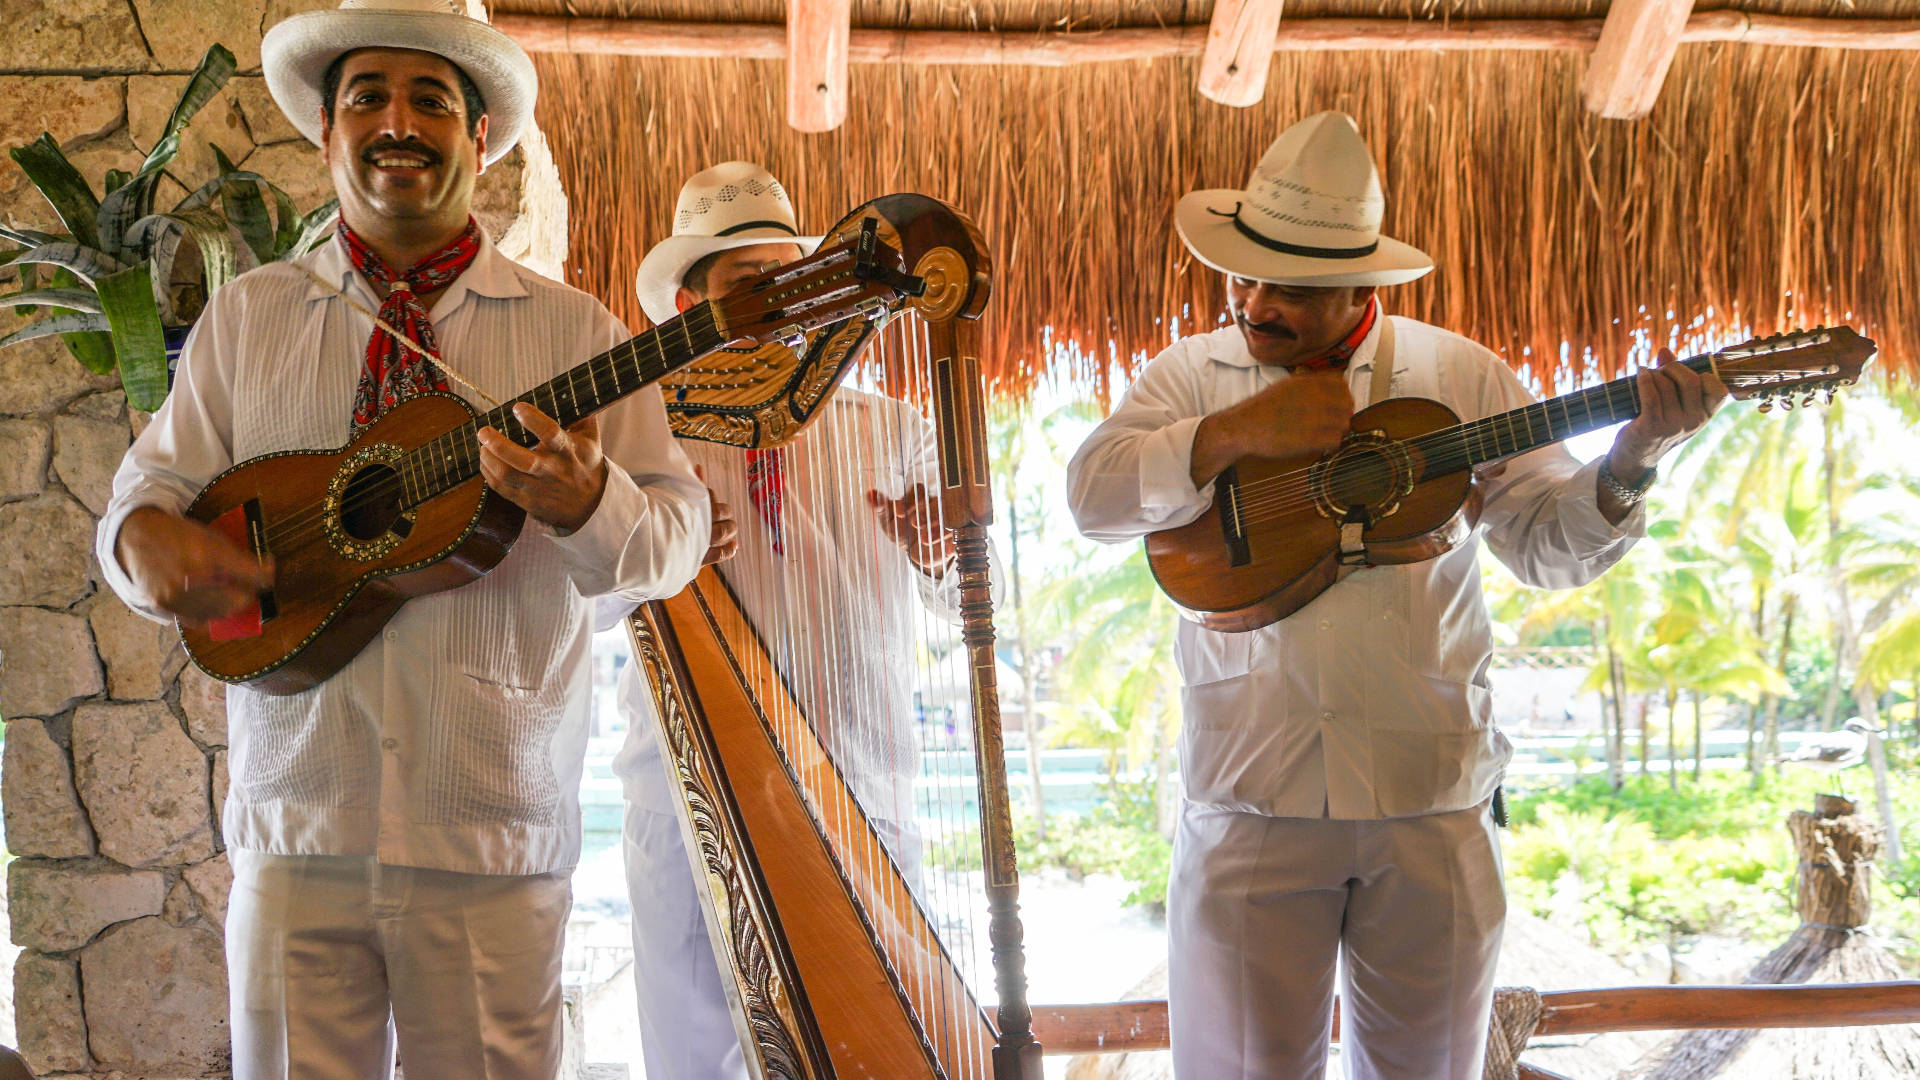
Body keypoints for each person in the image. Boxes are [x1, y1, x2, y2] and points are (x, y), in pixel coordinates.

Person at [92, 2, 709, 1076]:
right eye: (367, 97)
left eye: (433, 99)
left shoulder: (575, 333)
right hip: (296, 827)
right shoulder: (248, 319)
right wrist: (149, 554)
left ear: (481, 140)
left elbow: (678, 538)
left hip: (492, 830)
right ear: (327, 135)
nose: (398, 122)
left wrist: (586, 504)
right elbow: (143, 502)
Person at [1065, 111, 1726, 1080]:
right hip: (1251, 800)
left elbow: (1547, 547)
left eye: (1290, 286)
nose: (1254, 302)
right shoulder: (1190, 375)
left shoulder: (1460, 374)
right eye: (1243, 274)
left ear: (1361, 285)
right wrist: (1232, 433)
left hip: (1433, 803)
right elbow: (1092, 495)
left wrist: (1629, 463)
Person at [602, 161, 985, 1080]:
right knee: (692, 1060)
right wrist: (653, 543)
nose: (779, 302)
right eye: (746, 285)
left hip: (869, 787)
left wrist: (940, 550)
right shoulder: (639, 437)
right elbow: (576, 604)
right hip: (683, 796)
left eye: (794, 279)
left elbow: (977, 587)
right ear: (689, 306)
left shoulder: (888, 424)